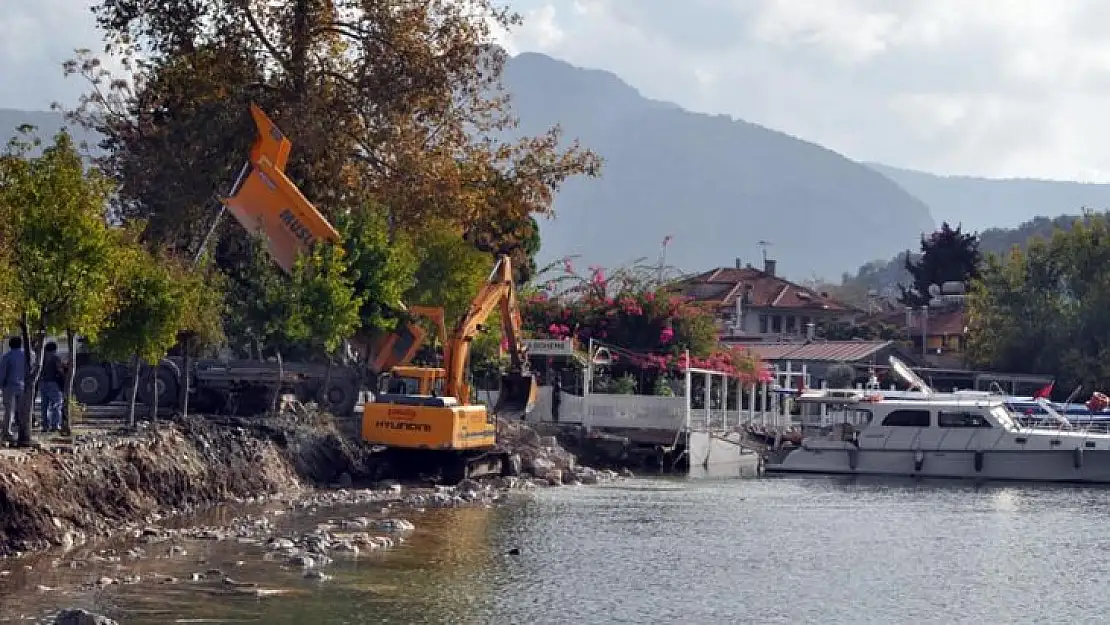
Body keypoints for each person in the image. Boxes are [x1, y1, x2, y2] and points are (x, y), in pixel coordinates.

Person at [0, 337, 26, 442]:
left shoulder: (7, 356)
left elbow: (2, 372)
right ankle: (22, 431)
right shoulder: (27, 356)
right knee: (21, 411)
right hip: (22, 386)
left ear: (10, 345)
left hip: (9, 386)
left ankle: (7, 431)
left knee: (8, 411)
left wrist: (1, 385)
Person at [39, 342, 65, 433]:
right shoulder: (55, 358)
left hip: (42, 383)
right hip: (53, 383)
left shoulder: (41, 358)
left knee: (44, 405)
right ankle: (55, 425)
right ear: (54, 349)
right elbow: (60, 370)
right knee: (56, 404)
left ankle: (45, 425)